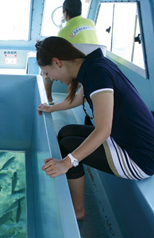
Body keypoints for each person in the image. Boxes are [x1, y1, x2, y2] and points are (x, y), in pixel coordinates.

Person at [36, 37, 154, 220]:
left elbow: (103, 130)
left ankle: (78, 210)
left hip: (139, 157)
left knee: (68, 147)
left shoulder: (97, 73)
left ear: (57, 62)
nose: (51, 78)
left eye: (47, 72)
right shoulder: (92, 64)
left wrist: (66, 163)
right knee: (65, 132)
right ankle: (72, 181)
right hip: (127, 138)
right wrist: (51, 107)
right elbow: (78, 99)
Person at [44, 0, 98, 105]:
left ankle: (49, 99)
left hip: (76, 69)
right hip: (93, 65)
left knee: (46, 71)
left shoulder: (63, 32)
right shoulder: (91, 23)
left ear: (65, 13)